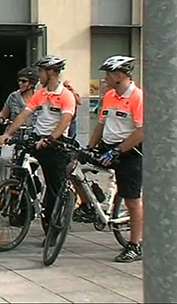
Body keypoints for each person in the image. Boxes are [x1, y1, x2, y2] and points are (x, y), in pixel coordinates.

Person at [0, 55, 76, 245]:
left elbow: (65, 120)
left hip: (56, 143)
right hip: (37, 139)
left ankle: (53, 228)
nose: (38, 75)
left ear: (51, 72)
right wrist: (8, 133)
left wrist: (50, 139)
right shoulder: (40, 94)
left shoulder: (66, 95)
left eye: (41, 71)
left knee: (54, 188)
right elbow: (24, 114)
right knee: (20, 168)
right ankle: (25, 205)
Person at [85, 55, 143, 263]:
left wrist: (118, 151)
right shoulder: (109, 96)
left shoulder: (137, 97)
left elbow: (141, 131)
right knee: (77, 167)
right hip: (107, 147)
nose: (104, 79)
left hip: (129, 152)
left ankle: (135, 245)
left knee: (132, 199)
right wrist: (90, 147)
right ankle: (90, 206)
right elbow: (101, 124)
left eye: (108, 74)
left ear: (119, 75)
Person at [0, 67, 39, 181]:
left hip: (31, 136)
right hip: (13, 135)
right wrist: (0, 120)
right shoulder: (13, 96)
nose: (20, 83)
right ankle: (1, 187)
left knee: (36, 163)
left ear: (32, 83)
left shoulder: (39, 98)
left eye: (24, 81)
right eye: (19, 80)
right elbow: (3, 113)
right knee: (5, 158)